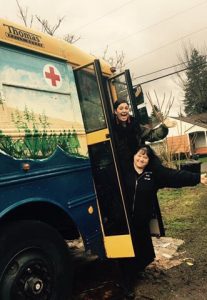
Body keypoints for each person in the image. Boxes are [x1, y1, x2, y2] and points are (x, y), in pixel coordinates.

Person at [118, 145, 207, 299]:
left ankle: (135, 271)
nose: (141, 159)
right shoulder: (123, 172)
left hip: (141, 222)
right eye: (139, 155)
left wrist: (197, 178)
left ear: (148, 160)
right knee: (127, 254)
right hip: (124, 222)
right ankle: (126, 285)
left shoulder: (153, 175)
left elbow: (174, 176)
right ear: (134, 156)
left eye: (145, 157)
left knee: (144, 253)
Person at [112, 98, 174, 175]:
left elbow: (151, 135)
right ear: (115, 111)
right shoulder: (111, 128)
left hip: (138, 162)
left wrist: (164, 127)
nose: (124, 111)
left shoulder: (135, 125)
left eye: (126, 108)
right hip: (122, 166)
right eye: (121, 108)